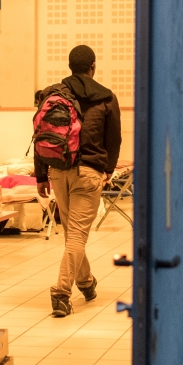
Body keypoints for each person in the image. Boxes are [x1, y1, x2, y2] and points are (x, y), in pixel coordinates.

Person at [35, 45, 122, 317]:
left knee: (72, 234)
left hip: (59, 171)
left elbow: (40, 133)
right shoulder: (107, 97)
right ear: (92, 66)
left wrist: (41, 175)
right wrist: (107, 170)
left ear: (70, 66)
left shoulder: (54, 94)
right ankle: (61, 292)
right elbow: (114, 139)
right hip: (89, 174)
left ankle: (86, 282)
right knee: (77, 236)